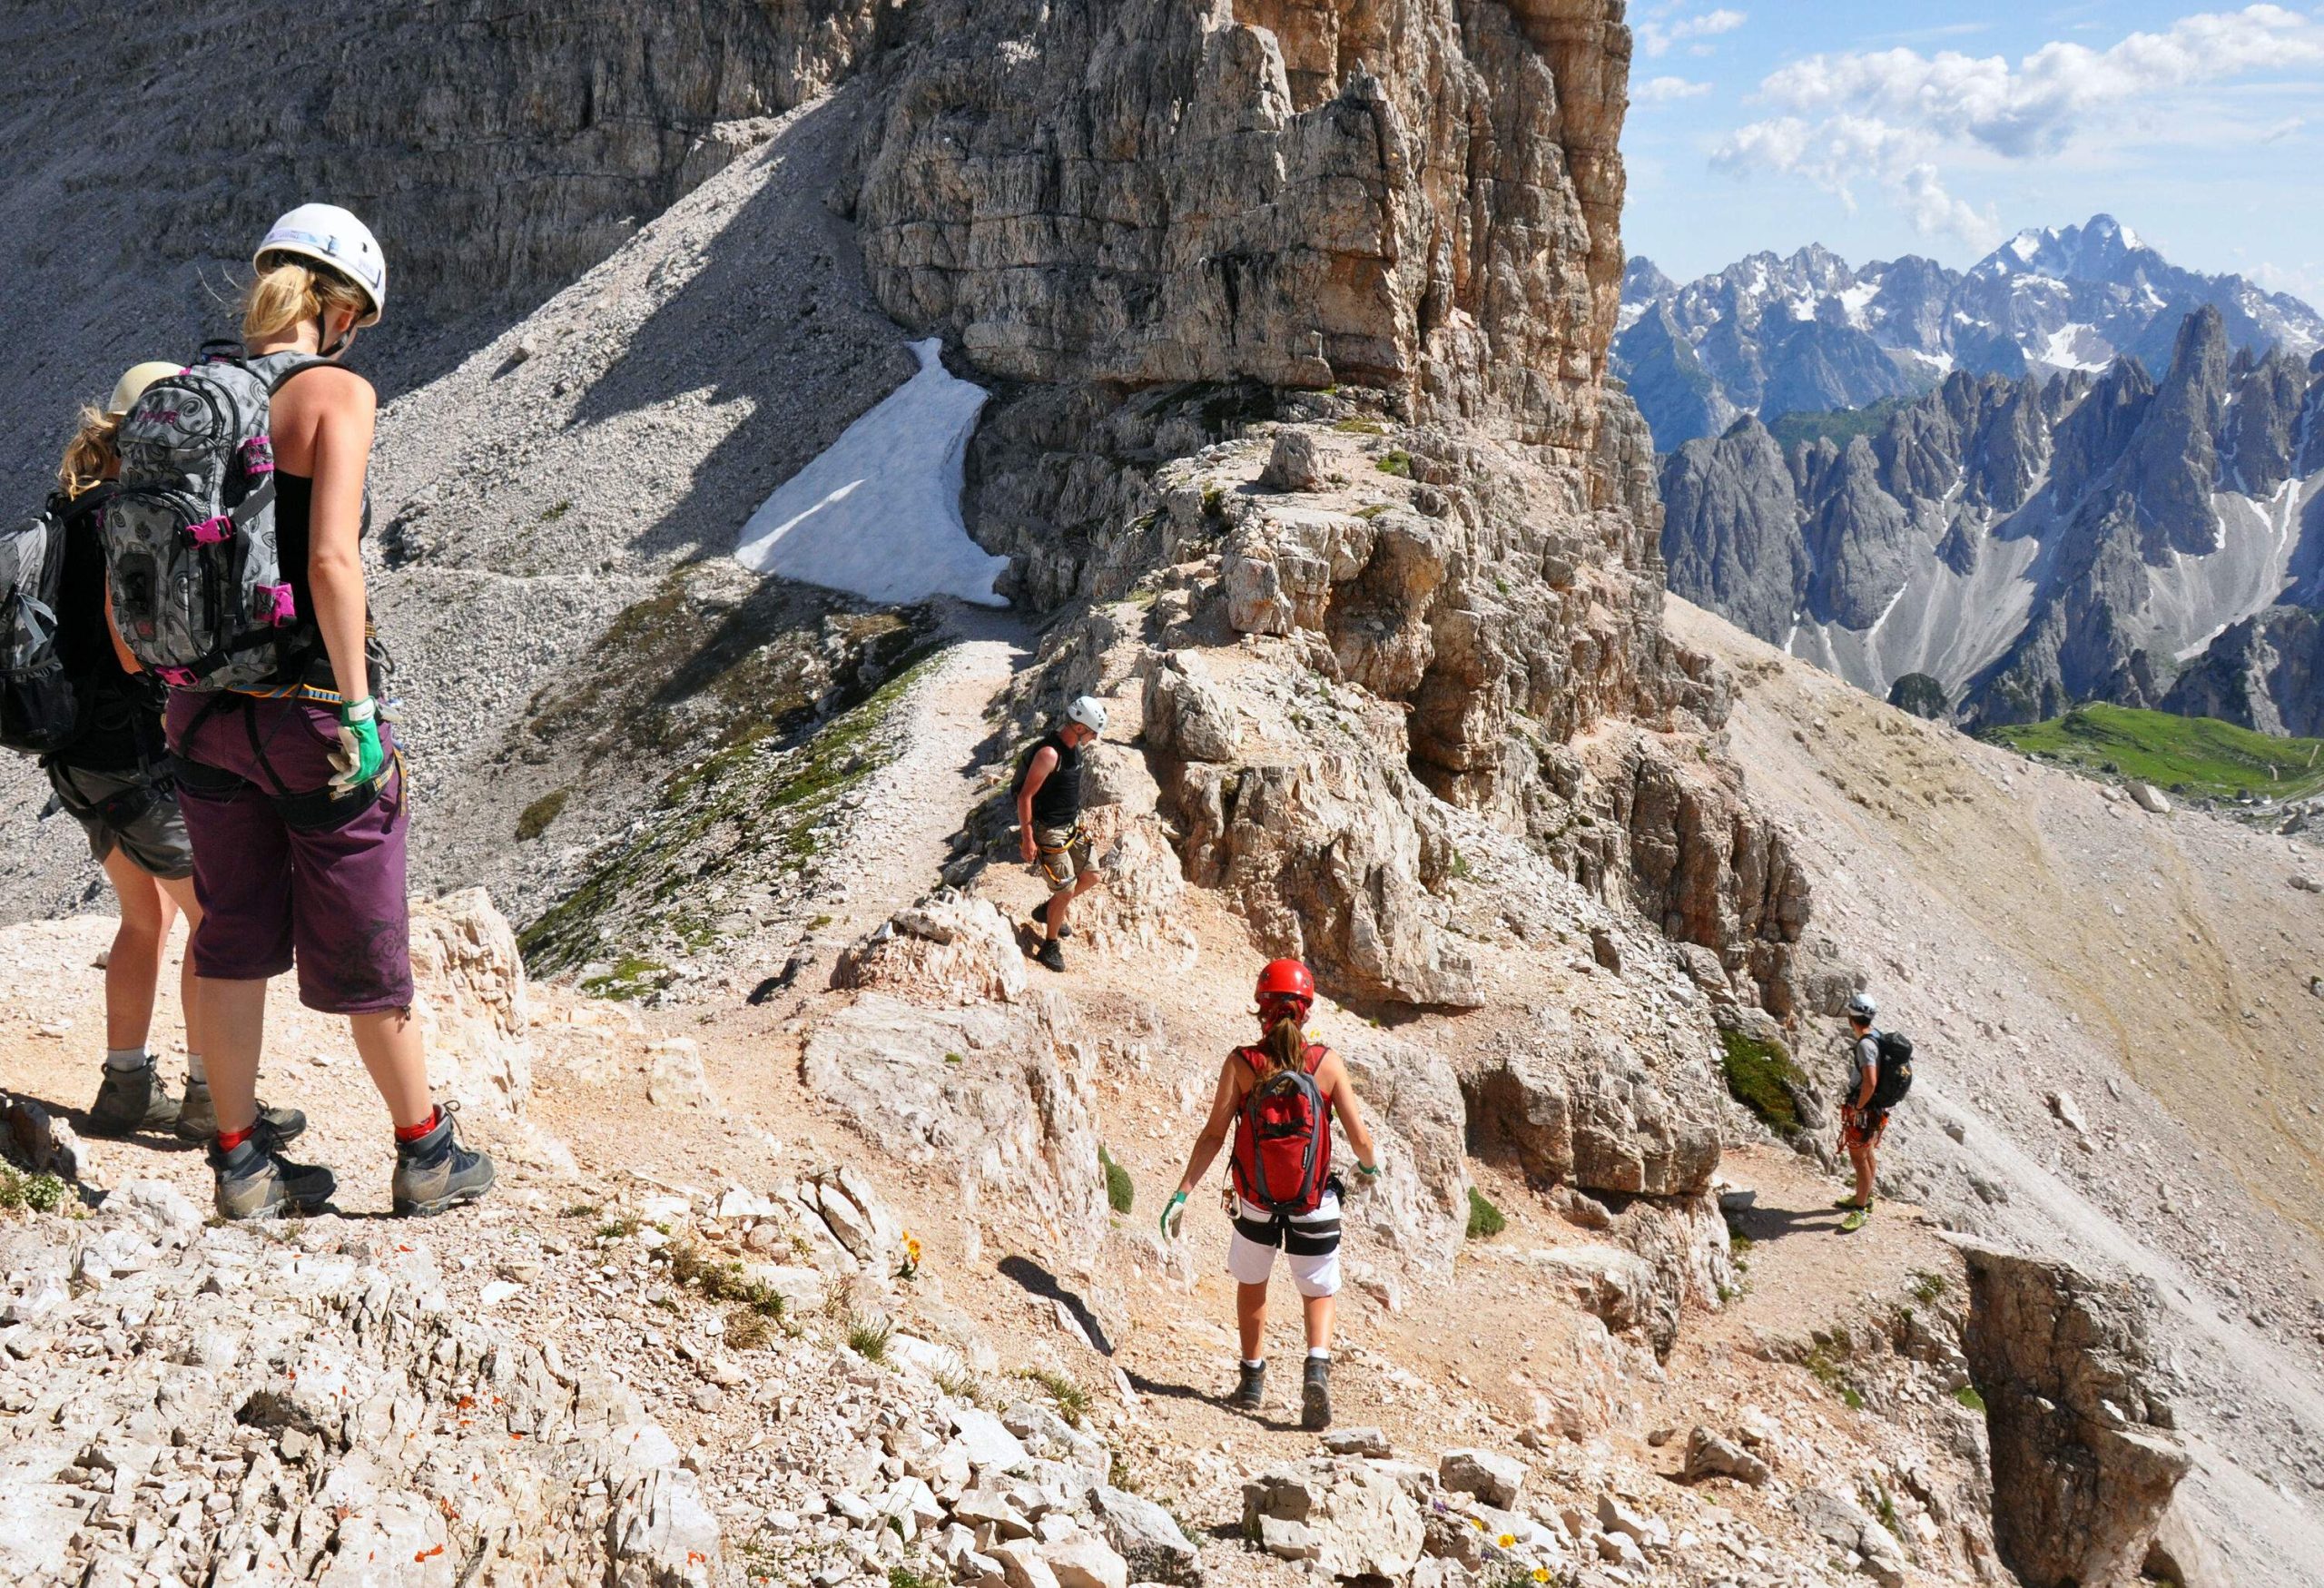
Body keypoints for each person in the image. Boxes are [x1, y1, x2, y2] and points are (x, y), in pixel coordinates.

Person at [156, 205, 492, 1220]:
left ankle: (240, 1164)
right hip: (304, 709)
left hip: (202, 716)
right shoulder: (334, 391)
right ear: (339, 306)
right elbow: (332, 561)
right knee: (364, 931)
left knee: (230, 933)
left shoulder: (187, 397)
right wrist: (358, 715)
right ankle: (423, 1150)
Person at [49, 365, 304, 1148]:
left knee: (143, 914)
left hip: (74, 757)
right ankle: (207, 1096)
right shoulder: (128, 520)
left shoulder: (67, 512)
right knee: (214, 918)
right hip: (135, 757)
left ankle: (125, 1086)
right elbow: (132, 656)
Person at [1161, 959, 1381, 1429]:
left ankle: (1252, 1380)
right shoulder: (1326, 1064)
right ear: (1306, 1011)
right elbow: (1361, 1139)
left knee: (1253, 1283)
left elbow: (1214, 1134)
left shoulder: (1243, 1063)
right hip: (1312, 1198)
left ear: (1261, 1007)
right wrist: (1369, 1167)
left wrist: (1182, 1193)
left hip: (1256, 1198)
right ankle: (1316, 1366)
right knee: (1318, 1288)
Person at [1014, 695, 1107, 972]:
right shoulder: (1049, 754)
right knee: (1065, 889)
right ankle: (1049, 945)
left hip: (1070, 825)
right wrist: (1028, 839)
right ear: (1079, 727)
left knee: (1092, 876)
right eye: (1092, 732)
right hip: (1048, 829)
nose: (1094, 737)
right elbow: (1024, 797)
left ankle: (1049, 909)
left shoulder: (1075, 748)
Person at [1837, 991, 1885, 1231]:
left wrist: (1858, 1107)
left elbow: (1870, 1081)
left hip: (1865, 1108)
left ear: (1850, 1017)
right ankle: (1865, 1197)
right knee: (1867, 1153)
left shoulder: (1865, 1045)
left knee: (1858, 1158)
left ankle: (1860, 1209)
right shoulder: (1877, 1036)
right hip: (1876, 1108)